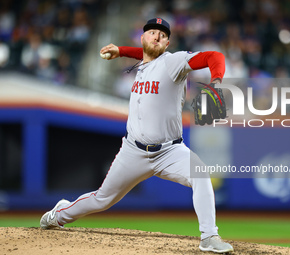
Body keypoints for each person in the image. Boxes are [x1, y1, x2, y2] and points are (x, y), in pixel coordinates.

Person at [40, 18, 234, 254]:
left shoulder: (173, 62)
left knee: (201, 176)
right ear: (143, 38)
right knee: (103, 199)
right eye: (152, 32)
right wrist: (121, 51)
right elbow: (143, 55)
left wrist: (215, 82)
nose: (157, 37)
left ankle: (209, 237)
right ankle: (58, 214)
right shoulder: (142, 63)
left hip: (169, 151)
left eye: (162, 35)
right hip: (132, 151)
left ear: (167, 42)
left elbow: (214, 57)